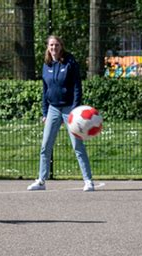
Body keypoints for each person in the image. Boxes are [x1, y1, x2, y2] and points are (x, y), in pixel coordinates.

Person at [27, 35, 94, 192]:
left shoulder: (70, 62)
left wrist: (75, 110)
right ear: (47, 47)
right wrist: (45, 112)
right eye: (51, 45)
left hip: (69, 108)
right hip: (53, 109)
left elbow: (77, 86)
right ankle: (41, 181)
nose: (54, 48)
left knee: (77, 146)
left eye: (56, 45)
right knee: (45, 146)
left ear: (61, 46)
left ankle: (88, 180)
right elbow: (45, 90)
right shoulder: (46, 65)